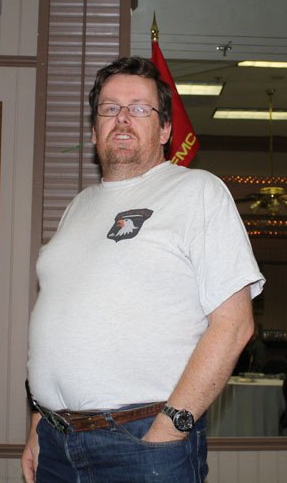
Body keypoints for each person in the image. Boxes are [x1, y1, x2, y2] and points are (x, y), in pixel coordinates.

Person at [21, 56, 265, 482]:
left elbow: (234, 325)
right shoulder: (78, 207)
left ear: (165, 129)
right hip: (56, 446)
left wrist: (171, 427)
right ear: (94, 129)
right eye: (110, 108)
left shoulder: (197, 191)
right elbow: (59, 323)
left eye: (139, 108)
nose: (122, 118)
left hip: (142, 440)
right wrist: (39, 423)